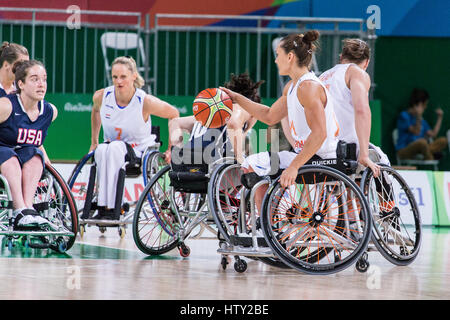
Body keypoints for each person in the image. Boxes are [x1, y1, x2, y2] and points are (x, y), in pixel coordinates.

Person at [221, 30, 339, 213]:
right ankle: (269, 221)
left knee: (252, 164)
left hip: (321, 159)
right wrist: (237, 98)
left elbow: (320, 134)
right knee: (254, 163)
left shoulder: (308, 87)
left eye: (278, 55)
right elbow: (269, 116)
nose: (275, 60)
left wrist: (294, 167)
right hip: (307, 155)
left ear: (290, 56)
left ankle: (265, 222)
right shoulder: (292, 86)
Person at [89, 56, 179, 220]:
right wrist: (94, 141)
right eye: (115, 77)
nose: (118, 81)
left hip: (139, 151)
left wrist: (171, 149)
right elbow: (96, 111)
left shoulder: (144, 101)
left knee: (115, 148)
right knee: (101, 150)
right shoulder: (102, 96)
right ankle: (103, 205)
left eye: (123, 77)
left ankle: (113, 206)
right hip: (110, 148)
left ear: (133, 76)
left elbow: (174, 114)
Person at [0, 60, 58, 230]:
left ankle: (28, 208)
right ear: (21, 84)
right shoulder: (6, 106)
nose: (42, 84)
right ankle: (20, 210)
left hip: (23, 155)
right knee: (9, 156)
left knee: (35, 155)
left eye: (44, 79)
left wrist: (45, 157)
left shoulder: (49, 111)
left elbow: (37, 141)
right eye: (34, 79)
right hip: (3, 156)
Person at [319, 38, 389, 178]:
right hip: (346, 147)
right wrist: (363, 153)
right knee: (383, 164)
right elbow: (361, 110)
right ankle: (388, 201)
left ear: (341, 57)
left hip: (320, 147)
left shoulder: (322, 76)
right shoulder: (357, 73)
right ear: (367, 62)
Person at [165, 72, 263, 164]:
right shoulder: (241, 108)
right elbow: (233, 123)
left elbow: (175, 122)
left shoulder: (211, 114)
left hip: (187, 159)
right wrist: (240, 159)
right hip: (210, 162)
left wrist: (175, 151)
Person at [396, 88, 447, 161]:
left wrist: (440, 118)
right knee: (422, 142)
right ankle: (431, 158)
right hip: (404, 151)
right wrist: (418, 116)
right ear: (419, 104)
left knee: (443, 140)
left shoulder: (422, 120)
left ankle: (427, 153)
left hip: (421, 150)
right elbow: (416, 132)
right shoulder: (403, 116)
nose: (426, 107)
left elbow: (433, 134)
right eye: (425, 105)